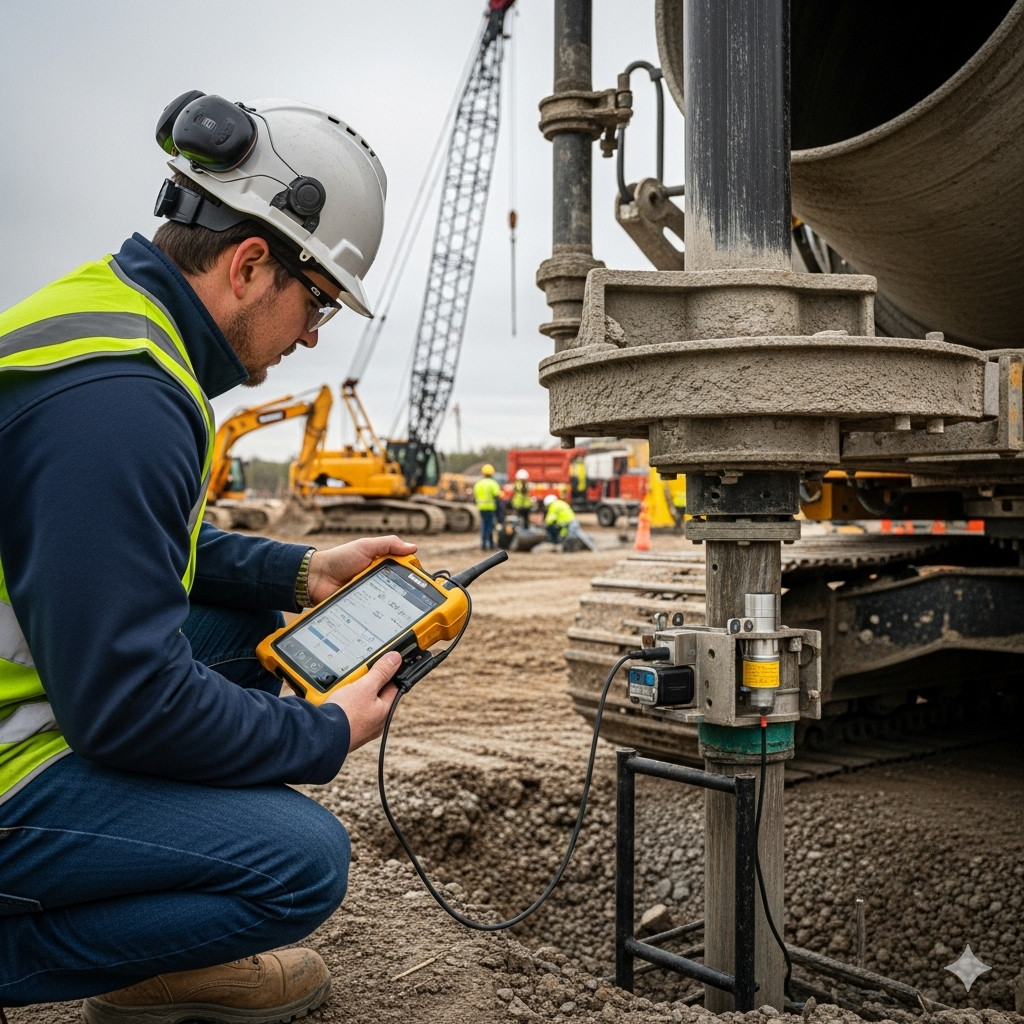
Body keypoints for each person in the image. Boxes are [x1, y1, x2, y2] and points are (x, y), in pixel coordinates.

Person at [0, 91, 408, 1022]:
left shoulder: (111, 322)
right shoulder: (122, 401)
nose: (311, 335)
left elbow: (128, 544)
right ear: (251, 262)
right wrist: (327, 733)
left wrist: (301, 573)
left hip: (36, 697)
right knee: (299, 864)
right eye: (319, 303)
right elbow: (129, 707)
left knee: (242, 625)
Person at [473, 463, 503, 551]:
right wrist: (500, 512)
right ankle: (489, 544)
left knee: (484, 525)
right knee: (490, 526)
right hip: (490, 508)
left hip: (481, 508)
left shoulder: (478, 483)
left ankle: (483, 543)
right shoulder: (493, 483)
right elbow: (497, 496)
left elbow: (475, 496)